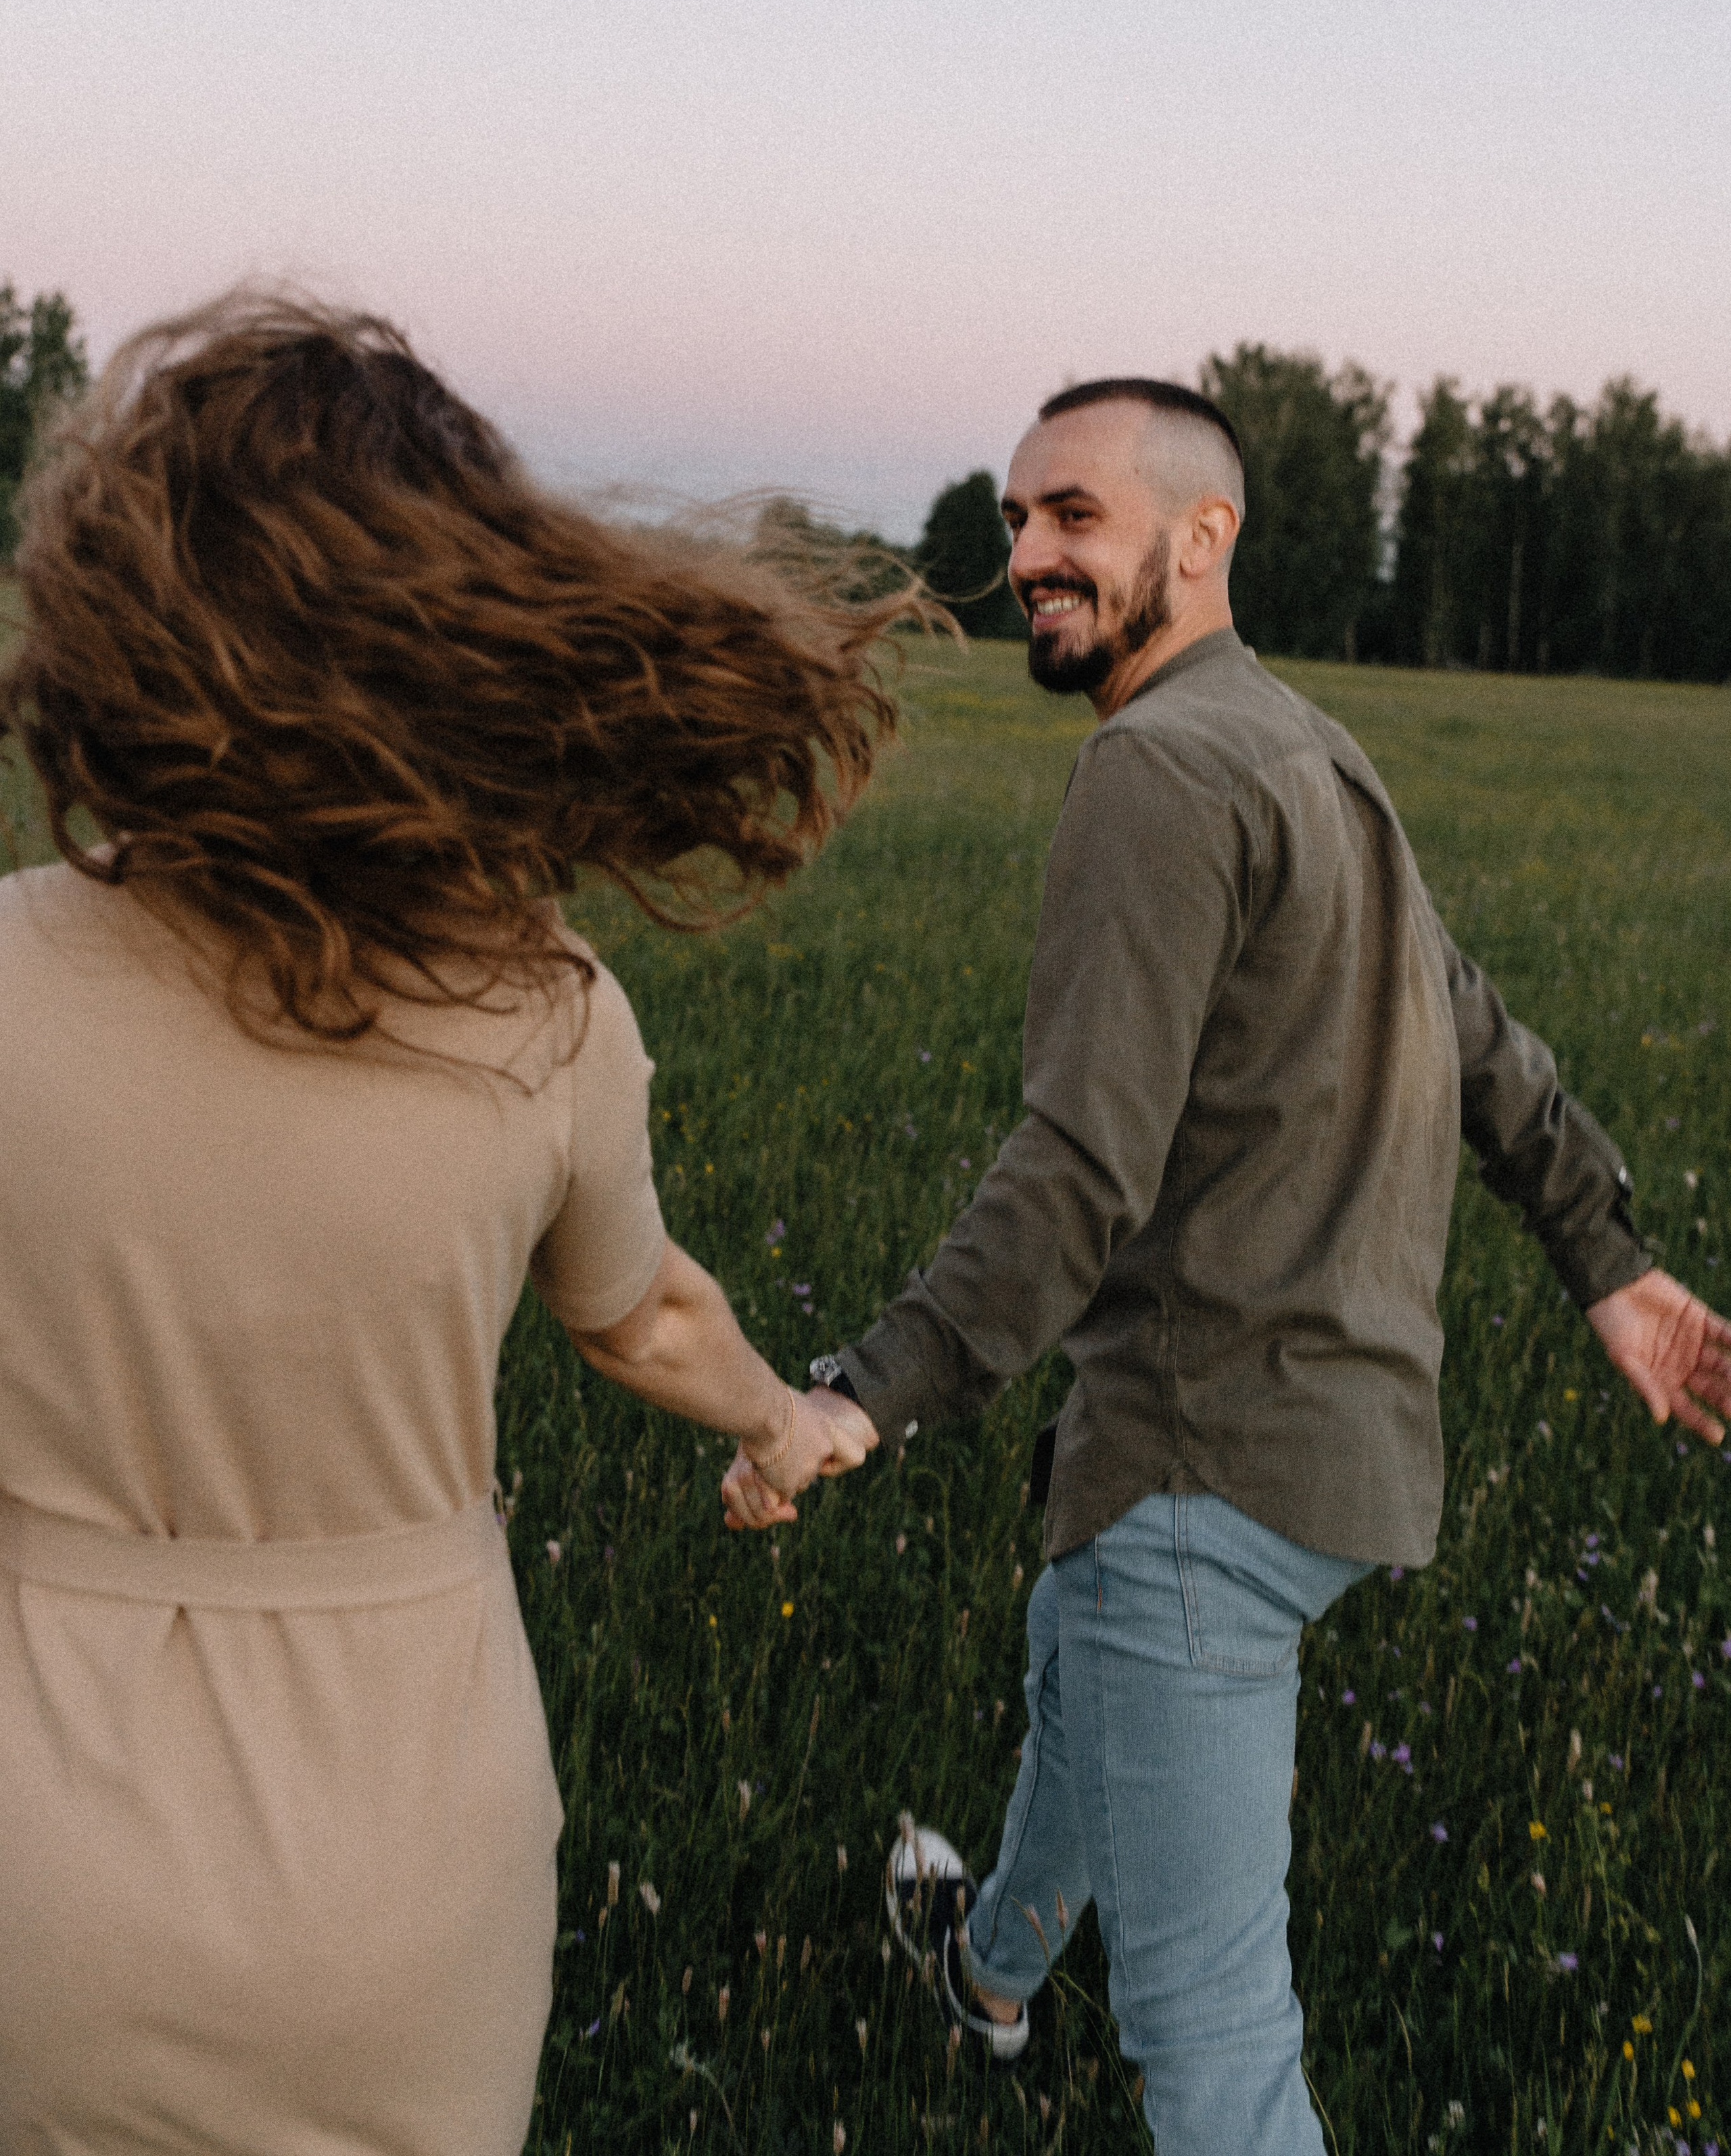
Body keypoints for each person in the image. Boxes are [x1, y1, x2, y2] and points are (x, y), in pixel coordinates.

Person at [721, 376, 1731, 2156]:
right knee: (1073, 1653)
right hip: (1333, 1457)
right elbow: (1483, 1041)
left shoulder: (1157, 770)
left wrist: (861, 1394)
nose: (1029, 554)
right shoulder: (1306, 749)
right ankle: (992, 1971)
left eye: (1075, 516)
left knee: (1214, 2040)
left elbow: (1078, 1167)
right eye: (1017, 519)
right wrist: (1608, 1262)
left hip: (1208, 1468)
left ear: (1205, 537)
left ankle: (1024, 1976)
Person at [0, 295, 882, 2156]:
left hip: (38, 1869)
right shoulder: (544, 1011)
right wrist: (780, 1421)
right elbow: (648, 1319)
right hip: (405, 1874)